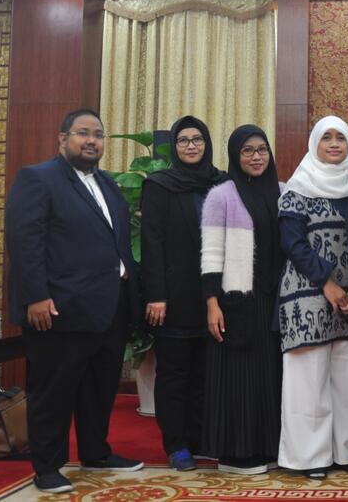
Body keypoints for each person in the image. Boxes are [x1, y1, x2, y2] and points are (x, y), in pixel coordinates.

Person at [5, 109, 143, 494]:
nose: (91, 141)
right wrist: (35, 296)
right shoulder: (38, 178)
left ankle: (96, 453)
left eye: (98, 134)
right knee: (54, 390)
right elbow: (25, 241)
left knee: (99, 388)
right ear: (62, 138)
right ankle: (47, 467)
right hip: (59, 308)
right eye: (83, 133)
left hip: (109, 307)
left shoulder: (108, 184)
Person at [276, 116, 348, 479]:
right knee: (308, 381)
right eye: (326, 137)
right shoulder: (297, 190)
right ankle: (309, 457)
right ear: (314, 144)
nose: (334, 144)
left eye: (340, 138)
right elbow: (293, 244)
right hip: (306, 294)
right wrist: (327, 284)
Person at [141, 115, 228, 471]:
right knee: (174, 374)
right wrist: (156, 295)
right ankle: (176, 445)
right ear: (174, 146)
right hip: (174, 297)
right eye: (183, 140)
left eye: (197, 139)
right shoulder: (160, 185)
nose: (191, 146)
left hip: (215, 297)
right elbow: (151, 242)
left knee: (206, 373)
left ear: (207, 143)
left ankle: (200, 438)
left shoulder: (222, 183)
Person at [201, 124, 283, 474]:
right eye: (247, 151)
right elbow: (211, 254)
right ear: (235, 156)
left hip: (274, 300)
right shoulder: (221, 195)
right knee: (239, 378)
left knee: (270, 376)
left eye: (262, 149)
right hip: (236, 301)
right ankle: (236, 453)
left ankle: (268, 447)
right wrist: (212, 303)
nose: (256, 157)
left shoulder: (283, 192)